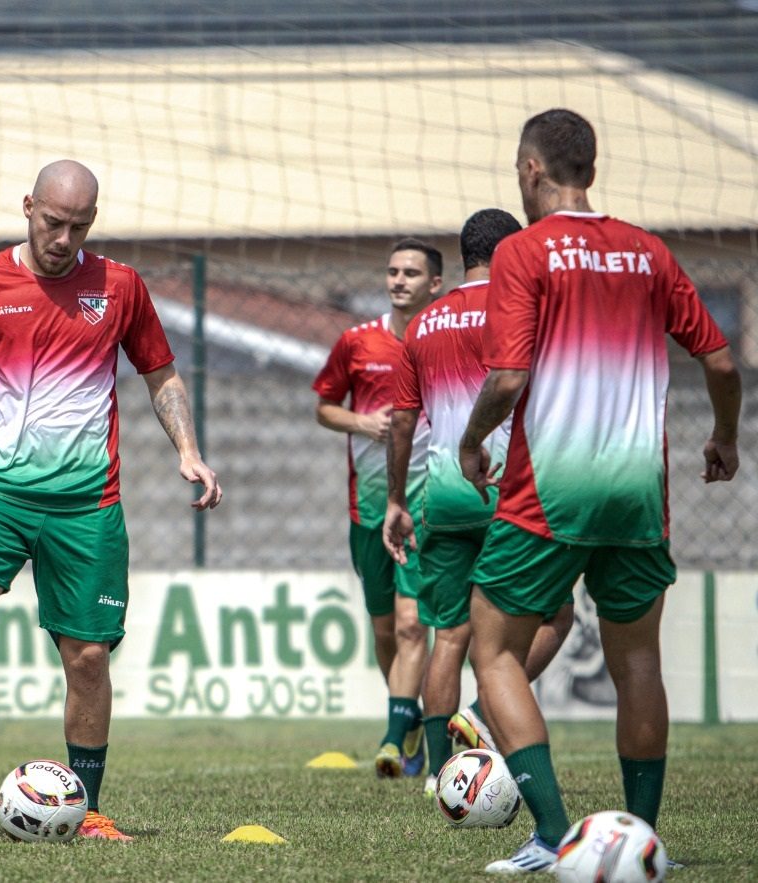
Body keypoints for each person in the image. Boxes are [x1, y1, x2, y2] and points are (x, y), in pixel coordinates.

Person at [0, 159, 222, 841]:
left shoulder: (120, 287)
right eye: (53, 221)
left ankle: (87, 809)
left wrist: (188, 449)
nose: (64, 237)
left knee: (87, 657)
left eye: (79, 225)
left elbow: (162, 375)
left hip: (87, 503)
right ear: (28, 206)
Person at [458, 109, 742, 874]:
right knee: (638, 662)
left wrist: (471, 437)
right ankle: (642, 838)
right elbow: (720, 363)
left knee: (494, 653)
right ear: (591, 166)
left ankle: (553, 832)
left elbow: (510, 377)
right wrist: (725, 437)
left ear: (530, 169)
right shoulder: (649, 251)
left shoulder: (523, 251)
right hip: (637, 492)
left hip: (550, 490)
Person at [384, 210, 574, 799]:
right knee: (556, 615)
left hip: (442, 493)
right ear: (514, 247)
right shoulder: (522, 304)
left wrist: (397, 499)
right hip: (510, 488)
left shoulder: (422, 324)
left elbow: (402, 422)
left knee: (452, 634)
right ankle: (481, 714)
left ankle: (443, 776)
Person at [313, 238, 441, 778]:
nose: (399, 280)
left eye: (411, 272)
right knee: (386, 630)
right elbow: (324, 408)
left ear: (436, 283)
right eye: (392, 271)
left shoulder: (447, 340)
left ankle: (392, 739)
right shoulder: (356, 341)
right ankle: (407, 716)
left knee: (414, 626)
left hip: (428, 504)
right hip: (367, 507)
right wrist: (363, 423)